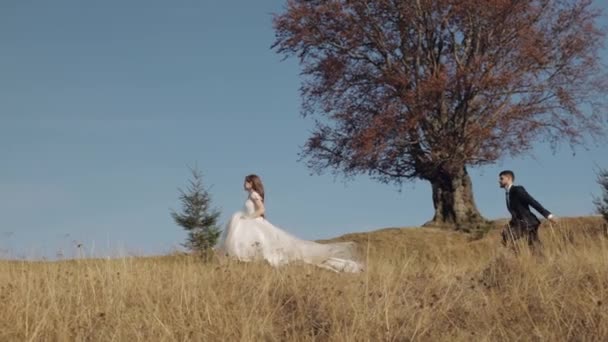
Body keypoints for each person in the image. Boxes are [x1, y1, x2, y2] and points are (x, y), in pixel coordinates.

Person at [216, 174, 363, 273]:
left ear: (252, 183)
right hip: (252, 224)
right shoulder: (250, 195)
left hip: (255, 224)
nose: (244, 184)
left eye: (246, 182)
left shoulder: (254, 194)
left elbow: (261, 209)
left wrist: (249, 218)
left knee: (271, 249)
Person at [498, 170, 556, 249]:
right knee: (534, 246)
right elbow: (516, 213)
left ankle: (516, 255)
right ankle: (542, 258)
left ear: (508, 178)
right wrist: (509, 225)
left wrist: (548, 215)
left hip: (528, 223)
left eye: (501, 178)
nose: (499, 181)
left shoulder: (518, 190)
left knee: (508, 236)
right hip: (522, 223)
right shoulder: (508, 194)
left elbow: (532, 201)